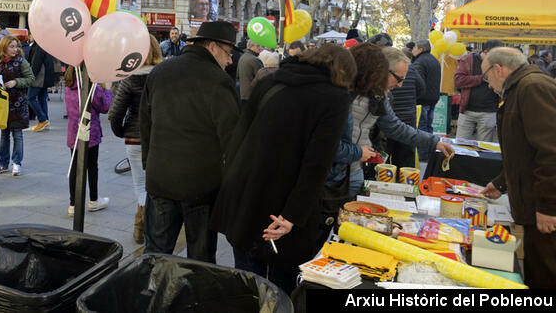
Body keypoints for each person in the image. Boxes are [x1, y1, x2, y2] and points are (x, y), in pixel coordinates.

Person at [211, 44, 356, 295]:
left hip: (245, 196)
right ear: (343, 72)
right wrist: (293, 215)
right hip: (283, 206)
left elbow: (240, 136)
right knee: (281, 290)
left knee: (247, 286)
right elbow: (317, 163)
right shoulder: (335, 98)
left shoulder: (270, 81)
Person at [140, 21, 241, 263]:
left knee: (155, 254)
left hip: (160, 179)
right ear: (213, 47)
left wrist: (149, 164)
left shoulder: (160, 71)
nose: (229, 61)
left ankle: (149, 297)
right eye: (228, 54)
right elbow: (233, 139)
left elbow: (145, 124)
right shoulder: (218, 80)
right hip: (201, 188)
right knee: (201, 260)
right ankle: (196, 300)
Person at [329, 44, 454, 197]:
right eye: (399, 78)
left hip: (355, 167)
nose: (400, 84)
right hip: (334, 169)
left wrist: (434, 142)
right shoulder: (343, 92)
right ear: (381, 70)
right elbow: (327, 141)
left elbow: (395, 127)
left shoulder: (379, 95)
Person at [480, 47, 556, 289]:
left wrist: (548, 206)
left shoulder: (531, 87)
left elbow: (550, 151)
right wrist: (501, 182)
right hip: (532, 203)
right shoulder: (520, 88)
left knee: (546, 273)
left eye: (486, 76)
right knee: (536, 269)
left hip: (542, 208)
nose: (487, 83)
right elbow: (524, 152)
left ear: (498, 70)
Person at [108, 34, 163, 243]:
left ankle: (141, 228)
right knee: (157, 186)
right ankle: (151, 228)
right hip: (159, 138)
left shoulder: (130, 77)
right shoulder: (163, 76)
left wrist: (122, 132)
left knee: (140, 185)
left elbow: (115, 113)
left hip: (134, 139)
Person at [65, 66, 113, 215]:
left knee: (74, 167)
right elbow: (105, 107)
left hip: (74, 132)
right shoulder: (92, 88)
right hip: (90, 132)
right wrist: (108, 89)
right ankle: (93, 200)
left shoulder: (69, 86)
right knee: (92, 167)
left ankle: (73, 204)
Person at [0, 36, 34, 176]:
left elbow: (31, 79)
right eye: (12, 46)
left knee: (17, 134)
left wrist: (16, 82)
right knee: (4, 134)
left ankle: (16, 163)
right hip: (2, 103)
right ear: (4, 47)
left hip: (18, 103)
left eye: (16, 46)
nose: (15, 49)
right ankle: (3, 164)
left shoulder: (21, 61)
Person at [454, 39, 503, 142]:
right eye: (495, 55)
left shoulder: (500, 63)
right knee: (460, 145)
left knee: (484, 148)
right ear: (485, 52)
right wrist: (482, 78)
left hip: (489, 111)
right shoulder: (467, 60)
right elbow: (458, 81)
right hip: (467, 110)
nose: (497, 58)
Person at [27, 32, 56, 132]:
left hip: (39, 77)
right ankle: (45, 120)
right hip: (46, 77)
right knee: (42, 98)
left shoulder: (38, 46)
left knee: (30, 97)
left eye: (31, 35)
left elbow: (36, 63)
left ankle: (42, 119)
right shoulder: (46, 45)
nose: (29, 37)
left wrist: (30, 76)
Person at [412, 39, 441, 134]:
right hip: (433, 98)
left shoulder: (419, 62)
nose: (413, 50)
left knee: (421, 128)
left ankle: (423, 149)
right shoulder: (434, 60)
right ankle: (430, 147)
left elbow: (417, 82)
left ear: (420, 49)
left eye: (414, 47)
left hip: (422, 100)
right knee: (428, 126)